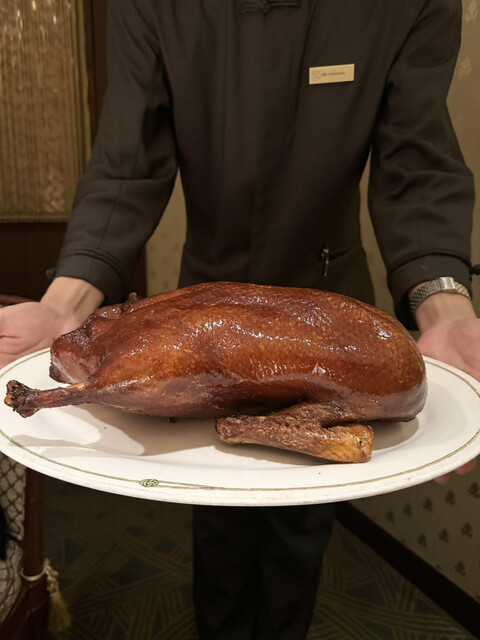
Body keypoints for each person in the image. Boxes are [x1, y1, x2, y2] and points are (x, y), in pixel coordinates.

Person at [0, 0, 477, 637]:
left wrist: (445, 305)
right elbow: (126, 164)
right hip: (200, 323)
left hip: (331, 321)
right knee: (216, 523)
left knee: (300, 531)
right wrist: (64, 306)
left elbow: (417, 164)